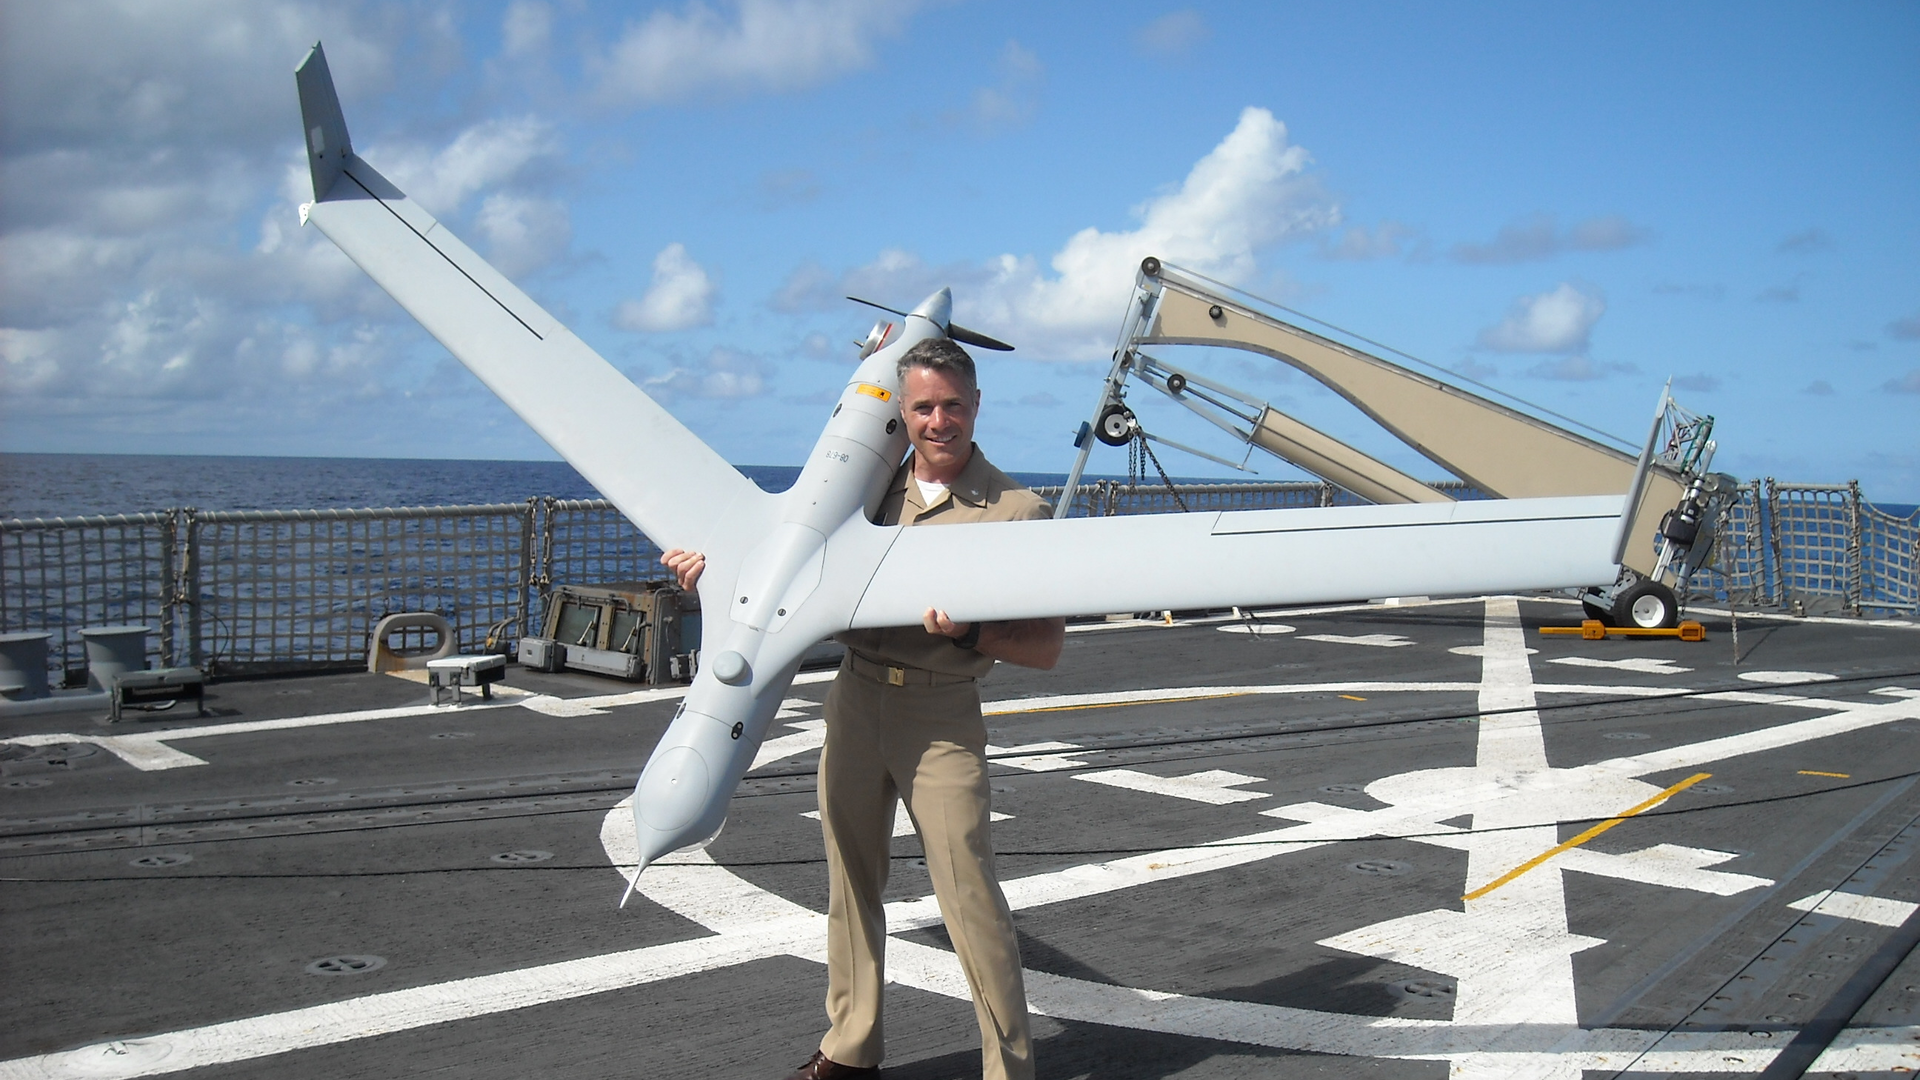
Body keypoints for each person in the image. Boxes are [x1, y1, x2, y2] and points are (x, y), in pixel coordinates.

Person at [661, 337, 1064, 1080]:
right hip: (855, 697)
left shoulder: (1016, 510)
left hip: (941, 716)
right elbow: (786, 562)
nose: (937, 421)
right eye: (922, 407)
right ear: (902, 413)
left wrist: (972, 631)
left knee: (969, 897)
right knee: (850, 883)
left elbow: (1046, 646)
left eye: (951, 406)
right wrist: (709, 576)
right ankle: (851, 1050)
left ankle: (1009, 1070)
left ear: (976, 408)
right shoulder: (866, 494)